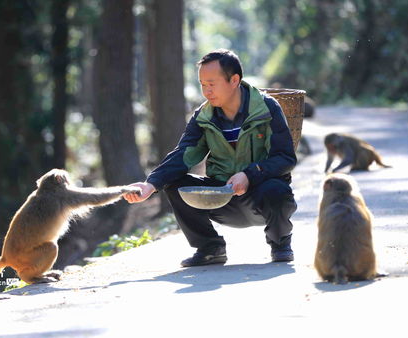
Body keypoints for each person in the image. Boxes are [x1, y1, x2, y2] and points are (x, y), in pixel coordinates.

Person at [124, 49, 297, 267]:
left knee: (277, 189)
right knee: (175, 185)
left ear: (234, 80)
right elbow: (183, 154)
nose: (206, 91)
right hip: (221, 197)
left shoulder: (267, 108)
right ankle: (210, 248)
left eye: (212, 84)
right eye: (202, 84)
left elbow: (285, 157)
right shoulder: (203, 117)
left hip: (261, 196)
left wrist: (249, 175)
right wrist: (151, 184)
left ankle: (280, 243)